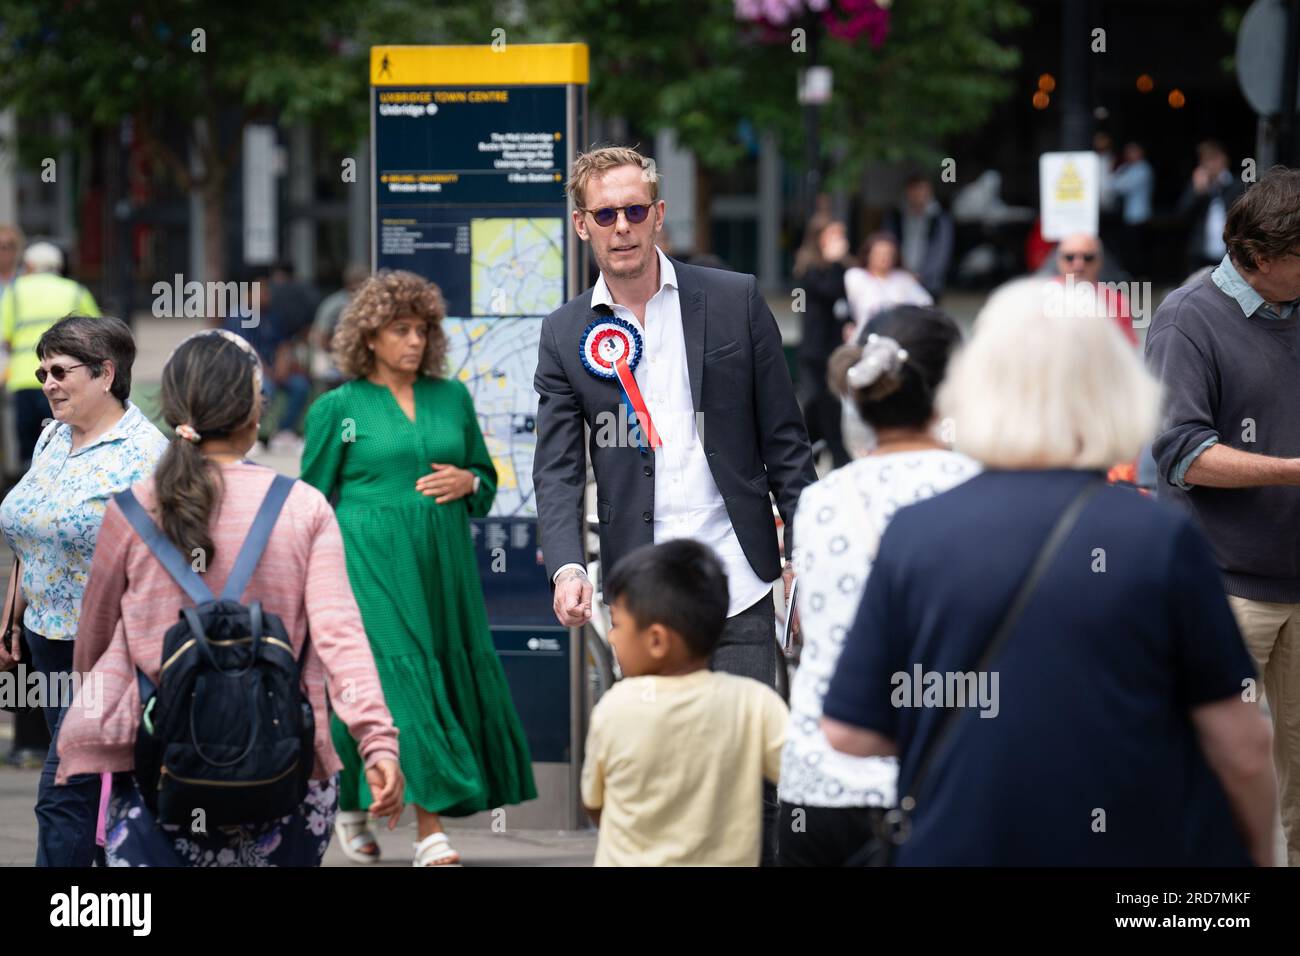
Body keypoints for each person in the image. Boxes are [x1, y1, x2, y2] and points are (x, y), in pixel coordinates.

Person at [821, 278, 1276, 866]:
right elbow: (1241, 747)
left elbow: (849, 732)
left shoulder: (916, 533)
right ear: (1115, 390)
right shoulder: (1157, 539)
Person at [535, 146, 814, 866]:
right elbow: (558, 469)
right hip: (644, 586)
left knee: (761, 776)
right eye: (606, 214)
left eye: (636, 211)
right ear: (581, 225)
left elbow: (786, 441)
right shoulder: (566, 334)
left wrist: (806, 558)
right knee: (660, 776)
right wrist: (568, 565)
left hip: (742, 573)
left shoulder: (735, 298)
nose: (622, 226)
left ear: (658, 215)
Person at [53, 329, 404, 866]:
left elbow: (94, 645)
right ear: (253, 413)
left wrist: (98, 721)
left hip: (159, 767)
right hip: (286, 770)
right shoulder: (302, 507)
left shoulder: (131, 511)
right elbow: (341, 638)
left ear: (174, 411)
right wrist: (376, 742)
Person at [301, 270, 535, 867]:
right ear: (369, 338)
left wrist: (469, 480)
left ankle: (352, 805)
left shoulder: (450, 396)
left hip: (443, 566)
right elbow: (310, 500)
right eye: (399, 330)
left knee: (410, 680)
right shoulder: (339, 407)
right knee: (400, 683)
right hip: (369, 565)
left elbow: (485, 479)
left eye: (423, 329)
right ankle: (430, 832)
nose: (415, 341)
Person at [778, 306, 978, 866]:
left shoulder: (820, 500)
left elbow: (807, 630)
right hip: (937, 784)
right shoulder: (979, 492)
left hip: (817, 784)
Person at [1146, 166, 1300, 866]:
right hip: (1224, 586)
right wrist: (1294, 471)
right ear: (1261, 256)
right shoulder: (1187, 317)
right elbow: (1182, 453)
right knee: (1210, 777)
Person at [0, 315, 167, 866]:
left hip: (108, 651)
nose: (46, 382)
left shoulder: (146, 454)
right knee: (94, 787)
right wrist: (9, 619)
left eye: (59, 371)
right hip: (46, 640)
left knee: (64, 793)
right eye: (42, 370)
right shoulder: (53, 435)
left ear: (106, 374)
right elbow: (32, 531)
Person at [581, 539, 788, 866]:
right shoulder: (755, 704)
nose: (611, 636)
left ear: (657, 641)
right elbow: (797, 777)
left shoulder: (616, 708)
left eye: (617, 624)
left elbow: (595, 804)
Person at [0, 242, 101, 468]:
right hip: (65, 378)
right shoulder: (75, 291)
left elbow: (5, 339)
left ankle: (30, 478)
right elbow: (95, 336)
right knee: (62, 434)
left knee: (27, 443)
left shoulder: (14, 292)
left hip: (24, 377)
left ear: (31, 265)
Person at [793, 215, 853, 468]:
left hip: (834, 344)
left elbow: (845, 296)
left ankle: (823, 451)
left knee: (829, 401)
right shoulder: (810, 268)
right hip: (815, 347)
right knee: (820, 400)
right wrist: (834, 261)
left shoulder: (839, 268)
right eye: (832, 236)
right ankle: (829, 452)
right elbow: (827, 291)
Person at [1051, 232, 1137, 345]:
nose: (1078, 264)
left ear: (1100, 261)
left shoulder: (1117, 302)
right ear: (1059, 260)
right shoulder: (1038, 299)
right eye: (1070, 257)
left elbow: (1126, 350)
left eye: (1088, 258)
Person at [843, 232, 932, 336]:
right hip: (864, 336)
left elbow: (926, 304)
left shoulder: (903, 278)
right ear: (868, 254)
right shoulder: (856, 276)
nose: (884, 258)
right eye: (879, 253)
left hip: (898, 337)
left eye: (888, 254)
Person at [882, 175, 954, 301]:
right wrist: (901, 271)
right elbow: (889, 244)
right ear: (908, 192)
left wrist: (922, 275)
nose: (918, 195)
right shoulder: (896, 216)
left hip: (929, 282)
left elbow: (941, 252)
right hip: (898, 278)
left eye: (922, 190)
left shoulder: (939, 219)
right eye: (915, 190)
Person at [1178, 140, 1245, 274]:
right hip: (1201, 253)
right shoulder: (1198, 186)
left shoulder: (1237, 185)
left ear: (1224, 159)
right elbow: (1182, 214)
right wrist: (1197, 192)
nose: (1210, 165)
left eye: (1213, 159)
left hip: (1229, 254)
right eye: (1206, 161)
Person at [310, 263, 368, 389]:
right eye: (357, 284)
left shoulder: (369, 303)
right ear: (349, 284)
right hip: (333, 359)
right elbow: (321, 338)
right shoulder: (334, 305)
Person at [1106, 141, 1155, 277]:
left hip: (1139, 216)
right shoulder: (1128, 168)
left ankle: (1140, 278)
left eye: (1132, 151)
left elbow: (1119, 187)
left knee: (1137, 251)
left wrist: (1112, 174)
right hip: (1128, 216)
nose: (1129, 155)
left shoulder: (1143, 169)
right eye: (1128, 152)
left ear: (1140, 152)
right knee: (1129, 250)